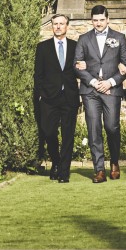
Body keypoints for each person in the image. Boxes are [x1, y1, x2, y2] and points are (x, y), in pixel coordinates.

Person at [74, 5, 126, 183]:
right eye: (95, 20)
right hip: (90, 90)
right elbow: (76, 65)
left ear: (108, 19)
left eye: (101, 20)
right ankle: (99, 170)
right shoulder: (83, 39)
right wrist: (93, 82)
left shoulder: (119, 38)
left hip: (111, 89)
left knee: (111, 127)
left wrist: (109, 82)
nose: (98, 23)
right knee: (94, 129)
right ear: (92, 21)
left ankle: (114, 162)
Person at [33, 14, 80, 183]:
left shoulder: (76, 46)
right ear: (51, 26)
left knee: (68, 135)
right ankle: (56, 161)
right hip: (48, 98)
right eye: (55, 24)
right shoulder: (43, 47)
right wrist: (40, 95)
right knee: (48, 131)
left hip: (69, 96)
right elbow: (38, 75)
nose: (58, 26)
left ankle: (64, 172)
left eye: (61, 24)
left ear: (67, 26)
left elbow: (81, 69)